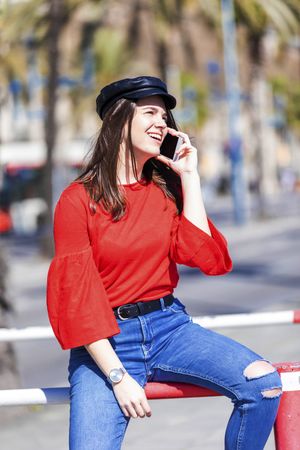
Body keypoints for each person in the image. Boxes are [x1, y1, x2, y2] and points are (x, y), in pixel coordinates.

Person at [47, 76, 282, 450]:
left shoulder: (163, 190)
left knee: (264, 384)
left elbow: (207, 258)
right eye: (150, 112)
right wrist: (116, 375)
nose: (161, 122)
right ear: (118, 121)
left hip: (169, 328)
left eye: (165, 114)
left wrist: (189, 178)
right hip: (105, 344)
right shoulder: (78, 200)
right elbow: (75, 298)